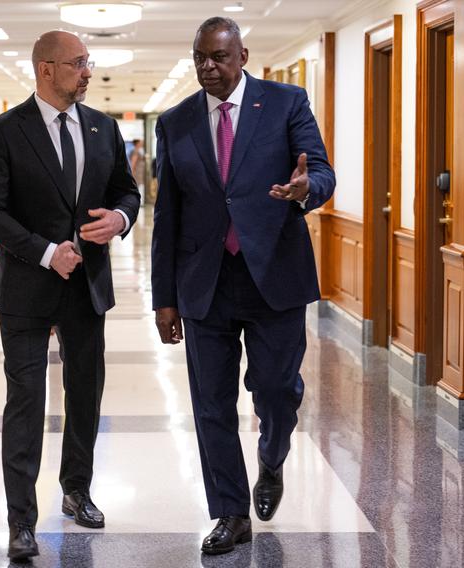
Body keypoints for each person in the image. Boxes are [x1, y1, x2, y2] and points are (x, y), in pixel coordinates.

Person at [151, 17, 335, 555]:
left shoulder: (285, 102)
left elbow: (321, 170)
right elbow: (169, 214)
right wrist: (165, 298)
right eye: (200, 57)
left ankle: (272, 457)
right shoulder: (176, 121)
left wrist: (306, 189)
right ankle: (230, 512)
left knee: (276, 392)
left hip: (274, 275)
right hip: (204, 282)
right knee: (211, 403)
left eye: (219, 57)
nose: (209, 67)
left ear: (243, 56)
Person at [0, 30, 141, 563]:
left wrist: (120, 217)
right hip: (27, 286)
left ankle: (77, 490)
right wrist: (46, 252)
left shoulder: (102, 127)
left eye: (88, 63)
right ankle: (20, 519)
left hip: (87, 287)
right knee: (25, 401)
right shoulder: (5, 132)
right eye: (78, 64)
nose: (88, 72)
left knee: (85, 392)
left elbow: (126, 191)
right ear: (46, 69)